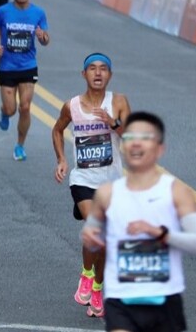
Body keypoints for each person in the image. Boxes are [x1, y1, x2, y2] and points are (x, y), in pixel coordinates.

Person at [81, 112, 196, 330]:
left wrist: (160, 233)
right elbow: (91, 237)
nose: (136, 143)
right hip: (120, 300)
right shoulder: (106, 194)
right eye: (130, 137)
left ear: (160, 149)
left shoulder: (177, 192)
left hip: (164, 299)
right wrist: (91, 238)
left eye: (145, 138)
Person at [52, 53, 131, 318]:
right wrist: (62, 159)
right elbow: (57, 130)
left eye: (103, 69)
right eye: (92, 69)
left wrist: (113, 123)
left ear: (110, 75)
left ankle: (97, 288)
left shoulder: (118, 102)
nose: (98, 73)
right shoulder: (72, 106)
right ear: (83, 74)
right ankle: (86, 275)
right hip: (83, 180)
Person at [0, 0, 49, 161]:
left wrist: (42, 37)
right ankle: (4, 112)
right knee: (11, 109)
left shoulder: (38, 13)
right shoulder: (3, 11)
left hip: (28, 66)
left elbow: (46, 39)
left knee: (25, 107)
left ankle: (20, 146)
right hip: (7, 67)